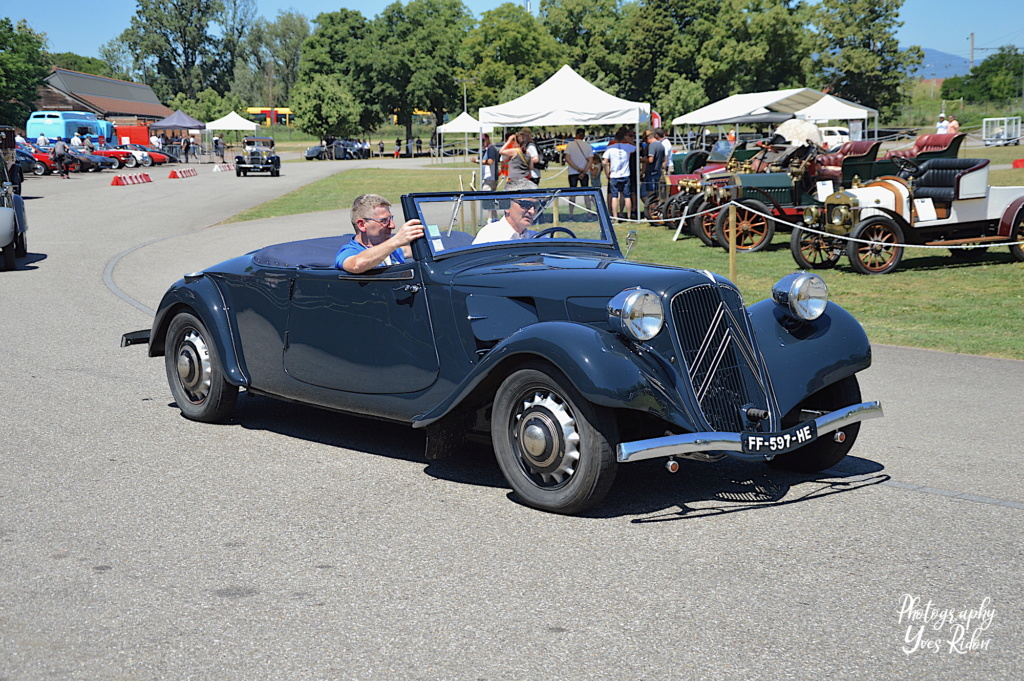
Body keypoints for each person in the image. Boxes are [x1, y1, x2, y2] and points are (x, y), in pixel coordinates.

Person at [335, 194, 424, 273]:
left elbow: (409, 250)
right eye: (384, 220)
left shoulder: (392, 249)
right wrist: (396, 241)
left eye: (391, 219)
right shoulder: (349, 252)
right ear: (362, 225)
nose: (392, 226)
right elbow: (356, 265)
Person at [472, 179, 542, 244]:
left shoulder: (539, 238)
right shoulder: (490, 236)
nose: (532, 211)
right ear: (506, 205)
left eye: (536, 205)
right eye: (526, 205)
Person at [603, 129, 636, 220]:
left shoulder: (610, 147)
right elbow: (637, 147)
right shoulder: (627, 146)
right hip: (625, 174)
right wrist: (628, 140)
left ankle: (615, 216)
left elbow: (604, 162)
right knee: (626, 196)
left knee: (614, 196)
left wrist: (607, 173)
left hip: (614, 175)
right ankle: (627, 216)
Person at [643, 130, 666, 202]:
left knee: (650, 192)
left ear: (648, 138)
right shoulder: (661, 145)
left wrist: (642, 160)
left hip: (651, 172)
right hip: (658, 171)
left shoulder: (652, 145)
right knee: (657, 192)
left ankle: (651, 208)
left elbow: (650, 160)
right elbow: (663, 159)